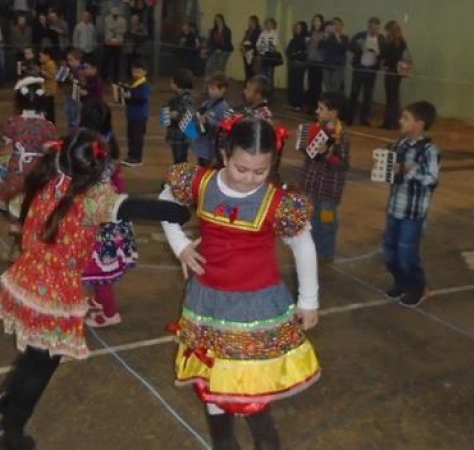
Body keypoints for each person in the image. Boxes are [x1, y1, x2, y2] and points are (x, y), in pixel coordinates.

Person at [0, 130, 191, 450]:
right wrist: (178, 212)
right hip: (52, 293)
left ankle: (7, 395)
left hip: (27, 277)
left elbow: (17, 208)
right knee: (43, 362)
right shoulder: (93, 199)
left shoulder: (47, 176)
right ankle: (9, 431)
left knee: (34, 349)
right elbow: (137, 208)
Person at [160, 116, 320, 450]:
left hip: (256, 307)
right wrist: (181, 246)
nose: (249, 179)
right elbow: (166, 203)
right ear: (224, 153)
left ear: (272, 164)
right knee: (211, 378)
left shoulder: (277, 201)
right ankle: (224, 445)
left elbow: (303, 245)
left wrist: (309, 300)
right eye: (240, 169)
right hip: (207, 302)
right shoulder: (200, 182)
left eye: (260, 172)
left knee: (250, 387)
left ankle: (267, 444)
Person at [79, 101, 138, 328]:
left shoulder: (85, 149)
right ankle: (99, 300)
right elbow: (119, 182)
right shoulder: (109, 145)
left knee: (99, 268)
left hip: (96, 218)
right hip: (112, 212)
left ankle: (111, 312)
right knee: (100, 266)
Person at [382, 101, 440, 307]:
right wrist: (384, 168)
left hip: (412, 213)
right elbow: (392, 172)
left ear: (419, 124)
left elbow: (432, 178)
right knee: (389, 251)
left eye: (405, 118)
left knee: (407, 254)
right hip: (395, 207)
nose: (400, 121)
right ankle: (401, 282)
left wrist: (410, 170)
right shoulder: (400, 144)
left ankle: (417, 288)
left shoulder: (428, 150)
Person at [0, 77, 58, 234]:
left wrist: (3, 168)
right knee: (33, 202)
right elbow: (51, 151)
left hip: (16, 169)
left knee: (14, 202)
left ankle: (16, 228)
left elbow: (7, 149)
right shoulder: (48, 126)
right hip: (37, 172)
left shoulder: (12, 123)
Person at [299, 92, 350, 263]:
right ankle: (313, 251)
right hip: (313, 185)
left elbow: (343, 164)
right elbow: (309, 156)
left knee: (327, 221)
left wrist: (328, 156)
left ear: (333, 113)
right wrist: (304, 145)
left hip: (328, 190)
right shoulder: (315, 128)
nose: (316, 111)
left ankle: (326, 254)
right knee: (312, 220)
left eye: (321, 108)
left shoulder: (341, 135)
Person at [347, 17, 385, 126]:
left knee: (368, 95)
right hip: (360, 68)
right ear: (369, 27)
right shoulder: (360, 35)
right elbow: (350, 47)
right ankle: (349, 117)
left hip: (372, 70)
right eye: (373, 28)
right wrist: (359, 47)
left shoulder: (381, 39)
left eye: (377, 29)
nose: (375, 31)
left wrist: (379, 54)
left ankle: (364, 119)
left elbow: (385, 52)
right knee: (354, 93)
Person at [380, 21, 413, 130]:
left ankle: (391, 122)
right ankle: (390, 121)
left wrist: (384, 60)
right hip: (394, 71)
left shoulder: (395, 43)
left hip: (392, 71)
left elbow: (390, 57)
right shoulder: (400, 42)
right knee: (392, 97)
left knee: (392, 98)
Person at [194, 72, 231, 167]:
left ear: (223, 89)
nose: (210, 91)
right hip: (202, 145)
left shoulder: (224, 107)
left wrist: (209, 121)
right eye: (209, 88)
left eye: (213, 89)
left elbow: (225, 126)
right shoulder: (206, 103)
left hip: (212, 148)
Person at [121, 60, 151, 167]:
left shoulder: (144, 85)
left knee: (137, 137)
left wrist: (131, 96)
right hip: (131, 115)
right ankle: (131, 156)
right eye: (134, 71)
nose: (136, 74)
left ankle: (137, 158)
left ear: (144, 72)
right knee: (130, 136)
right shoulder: (132, 83)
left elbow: (142, 98)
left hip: (140, 116)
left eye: (139, 72)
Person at [165, 68, 195, 165]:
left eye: (172, 83)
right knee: (179, 158)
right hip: (178, 134)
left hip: (181, 135)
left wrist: (176, 115)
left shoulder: (185, 99)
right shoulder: (176, 98)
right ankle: (179, 178)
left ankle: (182, 179)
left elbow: (189, 115)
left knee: (180, 159)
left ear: (177, 84)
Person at [254, 19, 280, 101]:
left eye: (270, 23)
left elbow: (273, 45)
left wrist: (265, 46)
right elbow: (258, 44)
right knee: (262, 73)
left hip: (270, 56)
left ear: (273, 25)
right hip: (262, 55)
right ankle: (262, 91)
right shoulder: (263, 33)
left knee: (269, 74)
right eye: (267, 23)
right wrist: (262, 48)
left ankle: (270, 93)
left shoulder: (275, 33)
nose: (268, 25)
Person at [285, 21, 309, 111]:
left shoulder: (305, 39)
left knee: (298, 84)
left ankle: (298, 104)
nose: (297, 30)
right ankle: (292, 102)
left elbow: (304, 52)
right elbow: (288, 50)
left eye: (299, 28)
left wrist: (296, 54)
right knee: (291, 83)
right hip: (292, 63)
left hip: (300, 64)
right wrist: (292, 54)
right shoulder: (293, 39)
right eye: (296, 28)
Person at [304, 14, 326, 112]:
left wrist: (316, 43)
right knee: (311, 84)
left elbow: (323, 47)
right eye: (314, 21)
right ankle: (310, 105)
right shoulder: (310, 33)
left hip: (319, 61)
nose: (316, 23)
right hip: (310, 60)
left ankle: (317, 106)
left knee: (317, 85)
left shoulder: (323, 34)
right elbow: (307, 47)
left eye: (318, 21)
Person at [320, 18, 348, 94]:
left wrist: (337, 36)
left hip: (337, 65)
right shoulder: (328, 37)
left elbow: (343, 48)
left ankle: (334, 104)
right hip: (327, 64)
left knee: (335, 87)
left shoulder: (344, 37)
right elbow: (320, 46)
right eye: (333, 24)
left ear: (341, 26)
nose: (335, 26)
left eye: (337, 24)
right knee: (327, 85)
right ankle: (328, 103)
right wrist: (326, 35)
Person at [102, 6, 126, 81]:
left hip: (118, 43)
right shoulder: (107, 18)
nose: (115, 15)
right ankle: (104, 76)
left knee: (117, 61)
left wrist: (114, 28)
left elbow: (123, 30)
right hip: (108, 42)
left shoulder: (123, 20)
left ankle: (116, 77)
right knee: (106, 60)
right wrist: (118, 27)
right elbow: (108, 27)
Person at [122, 14, 148, 78]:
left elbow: (145, 35)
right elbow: (125, 35)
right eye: (132, 19)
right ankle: (129, 77)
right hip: (130, 48)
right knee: (129, 64)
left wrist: (135, 34)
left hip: (139, 48)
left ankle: (139, 76)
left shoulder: (141, 26)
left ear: (138, 20)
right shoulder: (128, 27)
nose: (133, 20)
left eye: (135, 19)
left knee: (139, 64)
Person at [38, 48, 58, 124]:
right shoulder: (44, 65)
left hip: (49, 91)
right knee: (46, 110)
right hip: (45, 91)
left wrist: (42, 72)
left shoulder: (51, 64)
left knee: (49, 110)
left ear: (47, 56)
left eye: (41, 56)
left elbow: (53, 76)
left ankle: (51, 124)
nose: (40, 58)